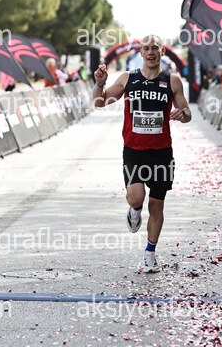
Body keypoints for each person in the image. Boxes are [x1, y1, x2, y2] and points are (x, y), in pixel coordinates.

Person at [91, 35, 192, 273]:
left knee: (156, 206)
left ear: (162, 52)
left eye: (155, 48)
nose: (151, 52)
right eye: (146, 48)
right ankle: (134, 210)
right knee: (136, 197)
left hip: (162, 153)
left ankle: (150, 253)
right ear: (141, 53)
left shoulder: (172, 80)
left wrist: (183, 115)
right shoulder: (128, 78)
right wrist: (100, 84)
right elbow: (100, 102)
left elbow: (187, 112)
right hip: (134, 151)